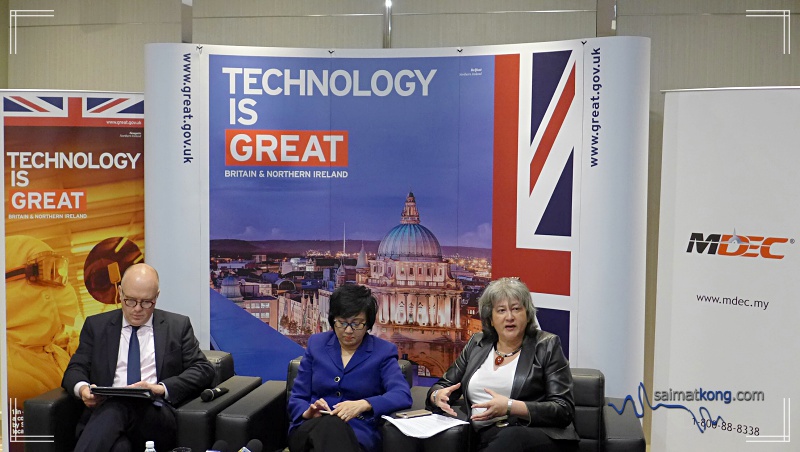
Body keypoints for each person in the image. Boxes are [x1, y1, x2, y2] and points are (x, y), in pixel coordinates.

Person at [62, 263, 215, 452]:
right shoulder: (97, 326)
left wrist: (159, 388)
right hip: (105, 417)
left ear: (156, 297)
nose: (137, 309)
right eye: (130, 301)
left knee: (119, 404)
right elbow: (75, 369)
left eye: (146, 302)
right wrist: (84, 389)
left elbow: (203, 369)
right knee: (120, 447)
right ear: (120, 293)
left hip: (155, 415)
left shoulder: (177, 326)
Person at [426, 278, 579, 452]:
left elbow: (563, 409)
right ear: (490, 319)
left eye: (516, 309)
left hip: (533, 433)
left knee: (508, 438)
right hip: (481, 434)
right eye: (501, 310)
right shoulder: (477, 343)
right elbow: (444, 385)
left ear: (527, 315)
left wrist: (510, 406)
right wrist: (438, 395)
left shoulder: (547, 345)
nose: (509, 317)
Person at [287, 284, 413, 452]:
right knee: (330, 425)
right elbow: (297, 398)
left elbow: (401, 394)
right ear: (333, 320)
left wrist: (364, 404)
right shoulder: (316, 344)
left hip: (357, 433)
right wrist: (308, 412)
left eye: (356, 324)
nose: (348, 330)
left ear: (368, 323)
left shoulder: (383, 351)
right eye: (342, 323)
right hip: (309, 428)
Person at [6, 235, 79, 405]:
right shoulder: (10, 375)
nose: (63, 287)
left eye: (58, 273)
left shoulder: (57, 354)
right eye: (47, 272)